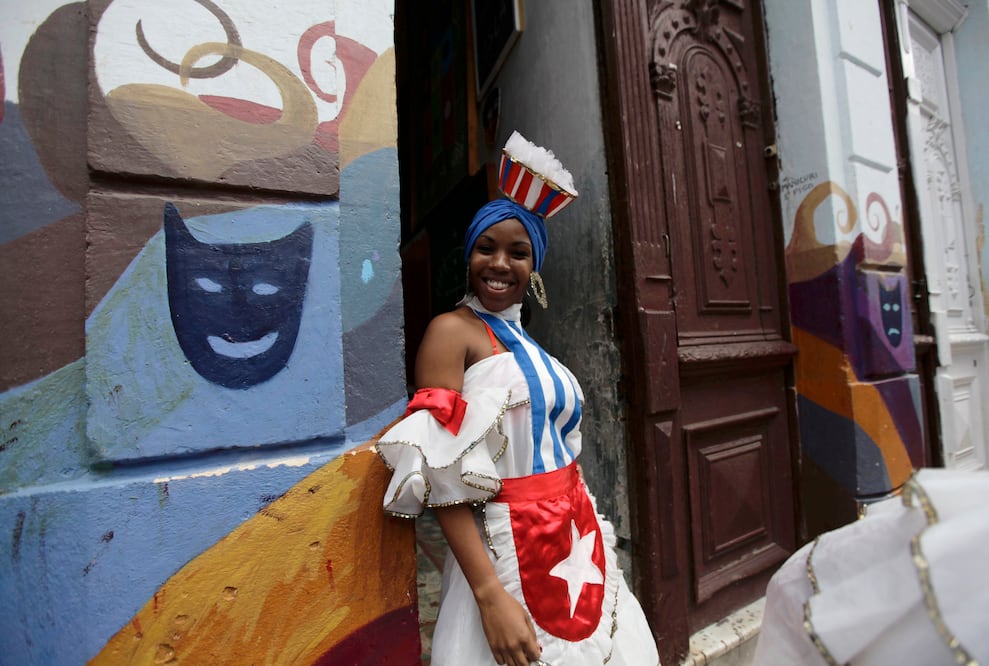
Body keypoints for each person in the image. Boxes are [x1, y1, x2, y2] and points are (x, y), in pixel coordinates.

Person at [375, 133, 660, 666]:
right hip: (503, 551)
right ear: (468, 254)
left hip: (574, 542)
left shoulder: (532, 347)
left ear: (535, 266)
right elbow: (441, 472)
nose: (500, 263)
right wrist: (489, 595)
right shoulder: (451, 332)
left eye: (518, 252)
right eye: (486, 248)